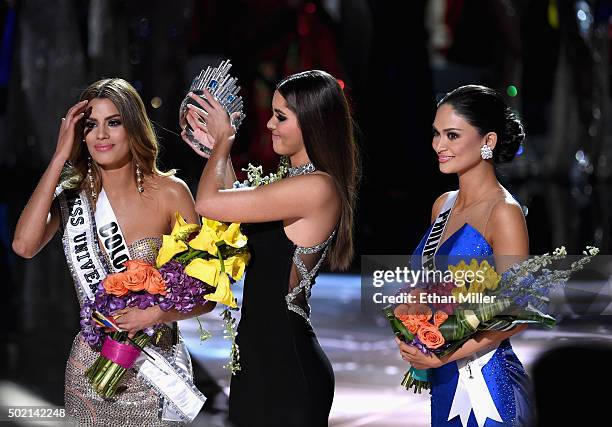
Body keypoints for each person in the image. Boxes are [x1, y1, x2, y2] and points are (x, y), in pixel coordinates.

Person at [12, 78, 213, 425]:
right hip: (89, 373)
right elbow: (24, 246)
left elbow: (205, 293)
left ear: (133, 126)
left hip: (156, 371)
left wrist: (155, 315)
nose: (101, 135)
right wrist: (59, 156)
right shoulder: (71, 199)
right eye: (91, 126)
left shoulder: (170, 193)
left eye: (114, 122)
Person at [181, 69, 360, 427]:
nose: (269, 125)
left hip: (287, 368)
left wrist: (222, 143)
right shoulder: (292, 183)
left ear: (311, 121)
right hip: (258, 361)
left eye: (281, 117)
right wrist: (217, 148)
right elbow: (234, 211)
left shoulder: (317, 187)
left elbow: (209, 204)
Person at [396, 85, 532, 426]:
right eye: (436, 134)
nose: (439, 146)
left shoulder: (504, 213)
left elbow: (517, 312)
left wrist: (444, 355)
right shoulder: (442, 204)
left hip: (487, 382)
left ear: (487, 141)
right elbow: (433, 288)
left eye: (452, 135)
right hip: (444, 380)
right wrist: (414, 322)